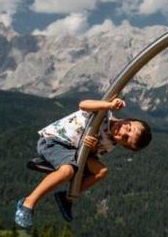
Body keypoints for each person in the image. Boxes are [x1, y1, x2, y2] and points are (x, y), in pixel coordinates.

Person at [14, 98, 152, 229]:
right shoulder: (103, 112)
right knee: (67, 171)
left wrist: (92, 147)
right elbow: (83, 104)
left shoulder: (111, 143)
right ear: (129, 119)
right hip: (55, 141)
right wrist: (109, 105)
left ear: (123, 145)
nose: (123, 132)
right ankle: (28, 202)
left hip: (73, 151)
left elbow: (91, 155)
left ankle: (67, 197)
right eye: (129, 128)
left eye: (125, 139)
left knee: (101, 171)